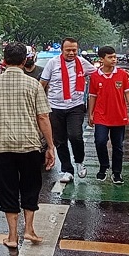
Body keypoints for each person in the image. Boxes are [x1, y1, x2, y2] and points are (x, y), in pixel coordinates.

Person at [0, 43, 55, 250]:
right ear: (24, 61)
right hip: (29, 145)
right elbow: (43, 117)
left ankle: (12, 236)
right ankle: (29, 229)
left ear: (4, 60)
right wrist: (50, 146)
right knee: (31, 186)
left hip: (2, 145)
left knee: (7, 189)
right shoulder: (34, 84)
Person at [40, 37, 97, 183]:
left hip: (75, 106)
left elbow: (98, 74)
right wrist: (39, 104)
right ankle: (67, 170)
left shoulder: (82, 63)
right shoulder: (52, 63)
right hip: (55, 107)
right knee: (60, 140)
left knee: (75, 135)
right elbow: (43, 83)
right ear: (62, 50)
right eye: (68, 50)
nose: (71, 53)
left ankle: (79, 162)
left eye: (74, 50)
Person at [87, 46, 129, 184]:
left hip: (119, 115)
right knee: (100, 141)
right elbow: (92, 96)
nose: (114, 59)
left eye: (114, 57)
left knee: (118, 146)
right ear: (102, 59)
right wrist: (90, 113)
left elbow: (128, 93)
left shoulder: (122, 74)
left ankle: (117, 173)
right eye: (110, 57)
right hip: (101, 115)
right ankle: (104, 166)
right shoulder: (95, 76)